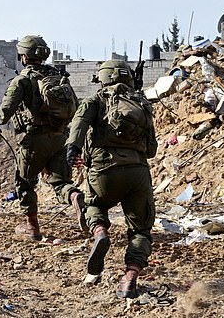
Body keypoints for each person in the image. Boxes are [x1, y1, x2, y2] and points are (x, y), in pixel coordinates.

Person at [66, 59, 158, 299]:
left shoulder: (96, 100)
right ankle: (129, 278)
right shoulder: (142, 103)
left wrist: (73, 148)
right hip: (138, 173)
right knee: (141, 230)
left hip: (104, 171)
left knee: (94, 205)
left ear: (103, 78)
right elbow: (151, 151)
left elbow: (79, 121)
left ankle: (100, 232)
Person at [0, 35, 87, 241]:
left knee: (25, 182)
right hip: (61, 138)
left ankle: (32, 227)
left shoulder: (22, 80)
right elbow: (77, 107)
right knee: (61, 182)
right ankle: (75, 196)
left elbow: (5, 111)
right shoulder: (58, 78)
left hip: (36, 140)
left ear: (23, 56)